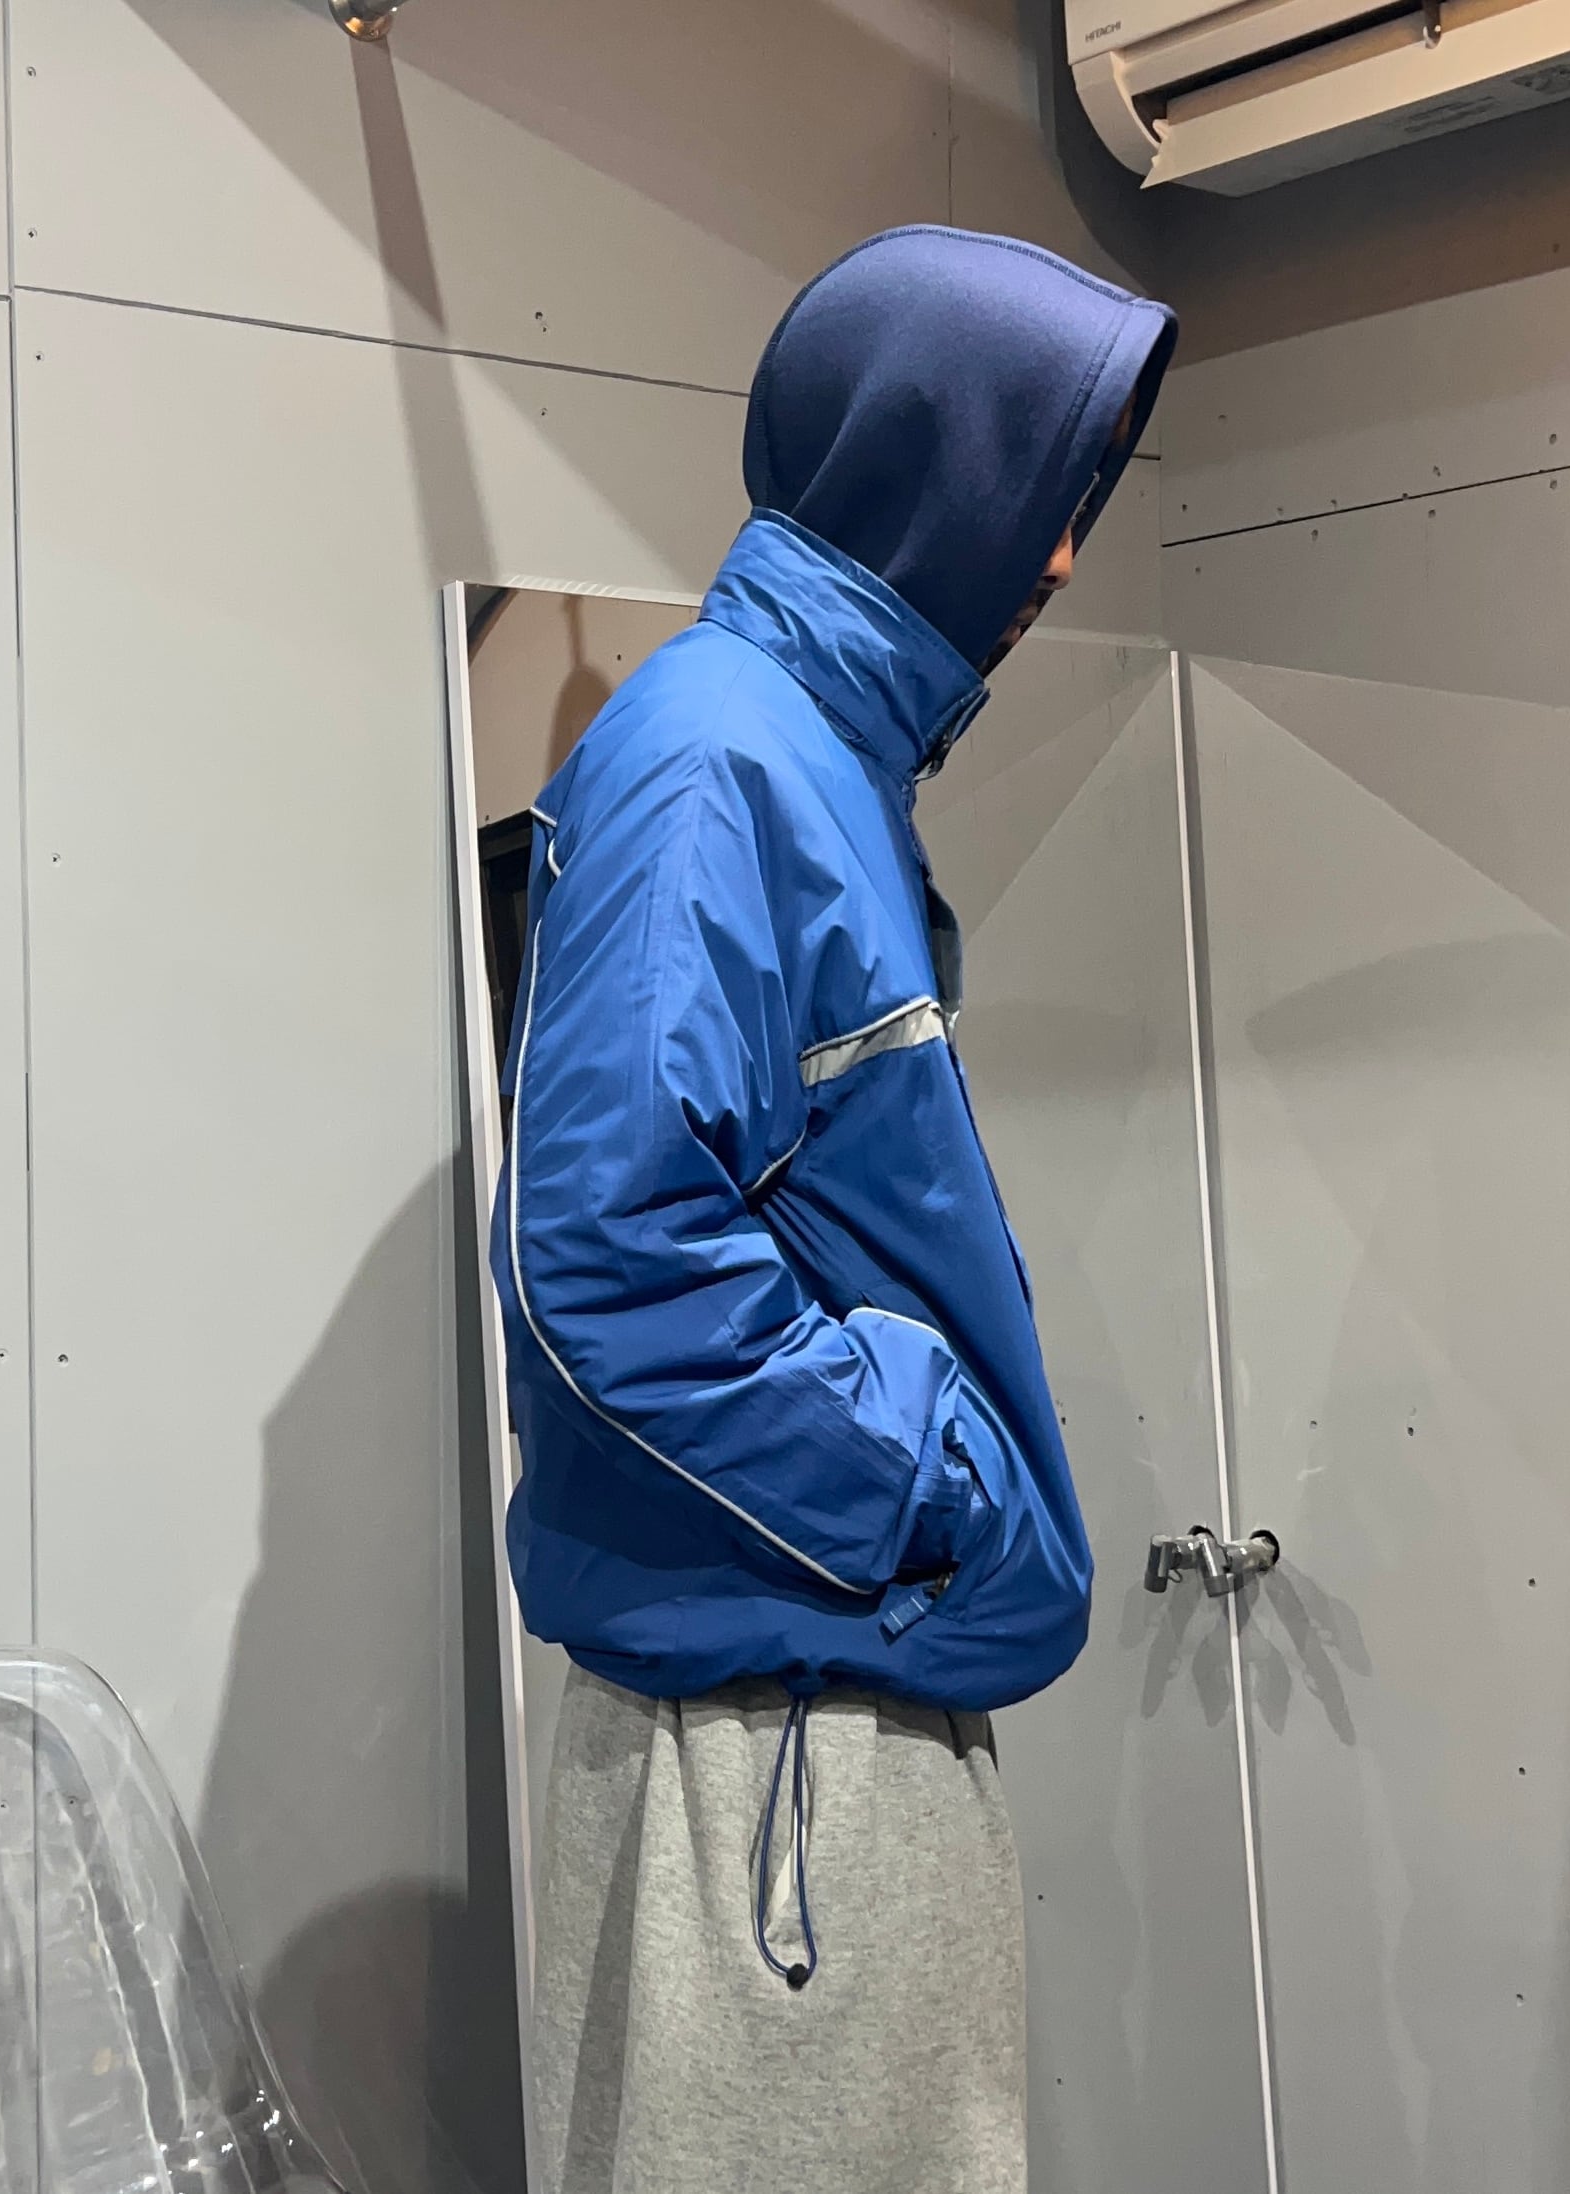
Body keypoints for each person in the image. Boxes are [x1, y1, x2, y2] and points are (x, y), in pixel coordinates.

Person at [490, 225, 1175, 2194]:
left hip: (806, 1704)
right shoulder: (717, 757)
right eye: (1039, 487)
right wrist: (928, 1467)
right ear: (921, 463)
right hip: (776, 1739)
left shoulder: (800, 758)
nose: (1062, 559)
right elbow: (608, 1248)